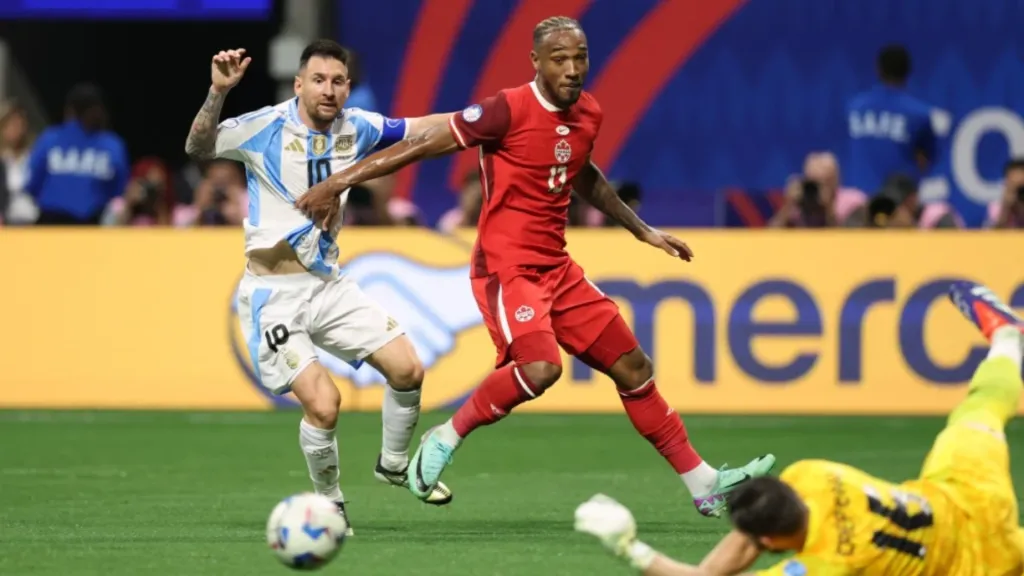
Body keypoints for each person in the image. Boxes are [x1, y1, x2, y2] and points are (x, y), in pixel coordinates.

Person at [296, 16, 775, 518]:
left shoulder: (589, 112)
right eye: (559, 59)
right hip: (507, 270)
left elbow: (582, 173)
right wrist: (339, 182)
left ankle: (703, 482)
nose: (572, 69)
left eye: (580, 57)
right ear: (536, 62)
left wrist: (641, 229)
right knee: (541, 367)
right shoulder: (505, 109)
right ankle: (444, 438)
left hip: (557, 268)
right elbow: (421, 145)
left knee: (634, 368)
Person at [182, 39, 455, 532]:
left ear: (348, 88)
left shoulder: (358, 126)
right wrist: (217, 92)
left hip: (329, 286)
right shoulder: (265, 126)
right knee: (325, 405)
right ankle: (329, 502)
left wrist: (487, 117)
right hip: (274, 296)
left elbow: (422, 127)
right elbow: (198, 148)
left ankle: (394, 464)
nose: (328, 90)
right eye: (319, 80)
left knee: (408, 368)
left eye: (338, 81)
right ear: (299, 85)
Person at [573, 279, 1024, 575]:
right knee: (978, 411)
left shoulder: (825, 565)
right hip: (963, 492)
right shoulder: (811, 475)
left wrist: (629, 548)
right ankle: (1005, 338)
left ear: (769, 541)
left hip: (980, 567)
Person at [26, 84, 130, 225]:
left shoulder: (50, 138)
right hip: (72, 222)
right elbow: (119, 190)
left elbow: (32, 183)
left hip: (72, 222)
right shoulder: (112, 145)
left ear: (69, 111)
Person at [845, 45, 937, 196]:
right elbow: (924, 161)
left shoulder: (855, 107)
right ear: (908, 71)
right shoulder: (919, 114)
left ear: (878, 70)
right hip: (898, 202)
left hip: (858, 200)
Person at [986, 158, 1024, 229]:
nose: (1018, 191)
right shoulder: (997, 206)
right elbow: (995, 232)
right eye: (1014, 184)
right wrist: (1006, 207)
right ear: (1006, 183)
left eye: (1021, 187)